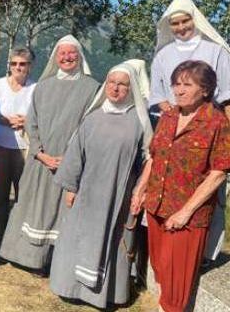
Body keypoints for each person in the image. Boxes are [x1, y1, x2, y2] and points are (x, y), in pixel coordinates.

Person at [49, 63, 153, 309]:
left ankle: (106, 294)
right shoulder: (92, 119)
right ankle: (70, 287)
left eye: (122, 84)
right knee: (77, 239)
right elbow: (75, 155)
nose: (116, 89)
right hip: (87, 195)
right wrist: (71, 188)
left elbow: (149, 160)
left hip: (120, 198)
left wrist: (140, 191)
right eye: (111, 83)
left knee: (114, 243)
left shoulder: (139, 123)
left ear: (131, 89)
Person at [132, 60, 230, 312]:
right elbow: (153, 156)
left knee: (177, 285)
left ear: (206, 90)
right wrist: (140, 190)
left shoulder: (217, 123)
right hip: (156, 206)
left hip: (187, 216)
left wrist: (185, 212)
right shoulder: (169, 116)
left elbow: (218, 174)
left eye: (187, 85)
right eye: (176, 84)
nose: (179, 90)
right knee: (162, 271)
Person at [0, 34, 99, 271]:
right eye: (62, 53)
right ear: (55, 57)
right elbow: (31, 123)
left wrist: (71, 158)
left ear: (80, 56)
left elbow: (89, 126)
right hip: (40, 162)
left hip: (70, 164)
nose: (66, 57)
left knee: (63, 213)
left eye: (71, 52)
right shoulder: (44, 86)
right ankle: (29, 258)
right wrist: (40, 153)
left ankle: (56, 263)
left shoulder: (92, 88)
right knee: (33, 208)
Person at [150, 0, 230, 262]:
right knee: (166, 187)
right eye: (175, 24)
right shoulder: (163, 55)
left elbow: (228, 97)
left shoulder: (216, 51)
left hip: (210, 128)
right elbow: (160, 96)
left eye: (185, 21)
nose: (181, 27)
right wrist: (177, 118)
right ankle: (166, 250)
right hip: (174, 128)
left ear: (195, 21)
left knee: (210, 191)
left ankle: (204, 253)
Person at [0, 47, 36, 248]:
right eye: (14, 63)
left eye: (22, 64)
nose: (17, 67)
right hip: (1, 147)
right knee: (0, 196)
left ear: (29, 67)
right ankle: (0, 237)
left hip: (25, 149)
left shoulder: (35, 88)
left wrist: (26, 121)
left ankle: (20, 240)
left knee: (22, 196)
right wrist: (5, 121)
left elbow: (39, 117)